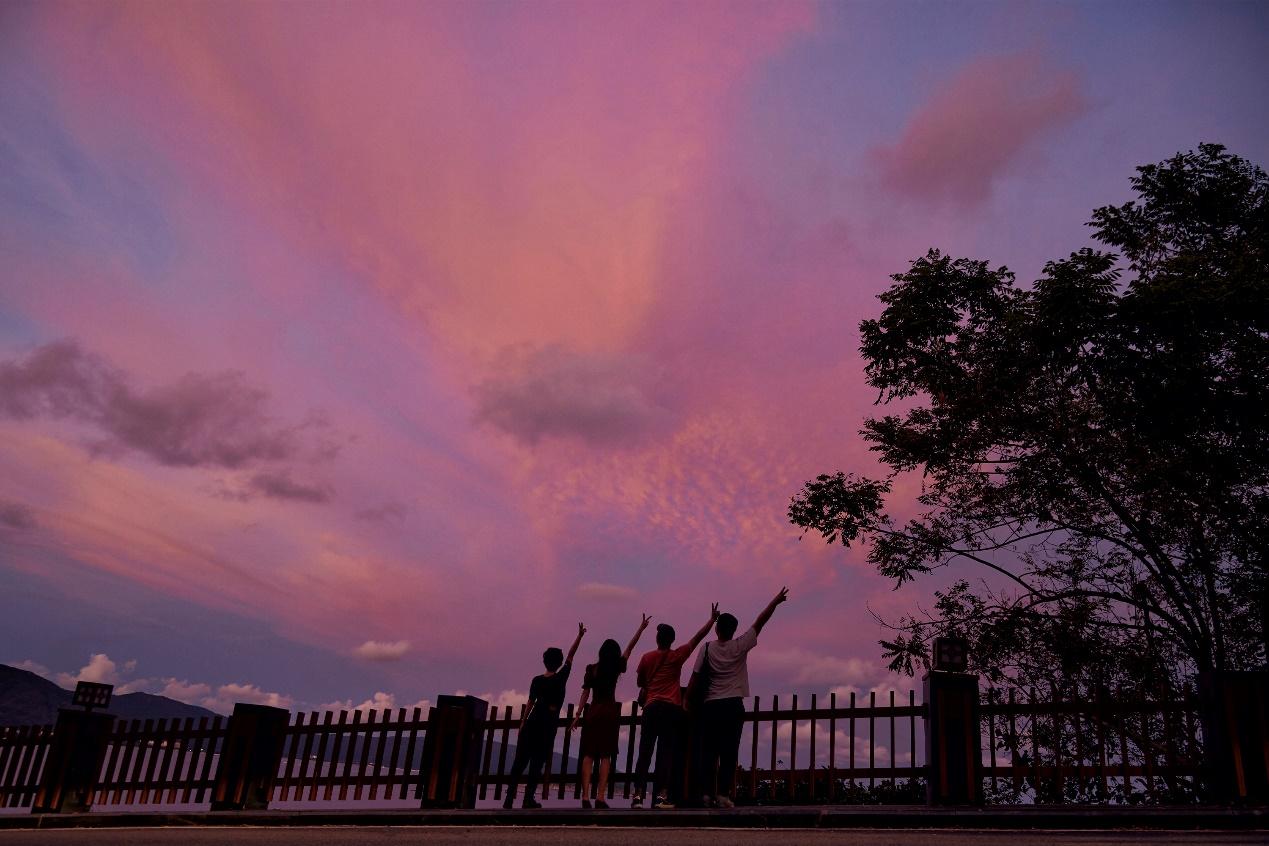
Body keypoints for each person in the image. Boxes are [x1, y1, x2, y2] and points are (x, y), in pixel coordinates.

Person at [688, 586, 788, 808]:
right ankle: (723, 794)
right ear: (734, 630)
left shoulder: (706, 649)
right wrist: (775, 601)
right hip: (733, 704)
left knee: (709, 751)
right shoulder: (740, 645)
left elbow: (694, 679)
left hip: (711, 705)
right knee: (729, 751)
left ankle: (706, 794)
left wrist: (688, 702)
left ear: (717, 630)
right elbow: (760, 622)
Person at [630, 603, 719, 809]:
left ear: (657, 639)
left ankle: (637, 795)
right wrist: (712, 620)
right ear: (672, 640)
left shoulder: (646, 658)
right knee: (665, 753)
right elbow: (697, 638)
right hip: (671, 709)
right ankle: (662, 796)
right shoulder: (677, 655)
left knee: (645, 751)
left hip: (651, 707)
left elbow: (641, 683)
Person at [503, 622, 586, 809]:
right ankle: (528, 798)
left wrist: (523, 722)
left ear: (544, 661)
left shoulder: (537, 680)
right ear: (558, 663)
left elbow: (530, 702)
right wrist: (579, 636)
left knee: (520, 760)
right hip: (547, 724)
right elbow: (571, 656)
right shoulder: (560, 677)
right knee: (537, 762)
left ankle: (509, 797)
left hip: (532, 720)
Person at [571, 614, 650, 809]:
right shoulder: (615, 666)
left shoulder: (592, 669)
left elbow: (585, 693)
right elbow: (629, 649)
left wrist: (578, 715)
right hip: (609, 712)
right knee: (606, 755)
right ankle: (600, 797)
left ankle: (585, 797)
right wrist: (641, 629)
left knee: (588, 755)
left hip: (593, 712)